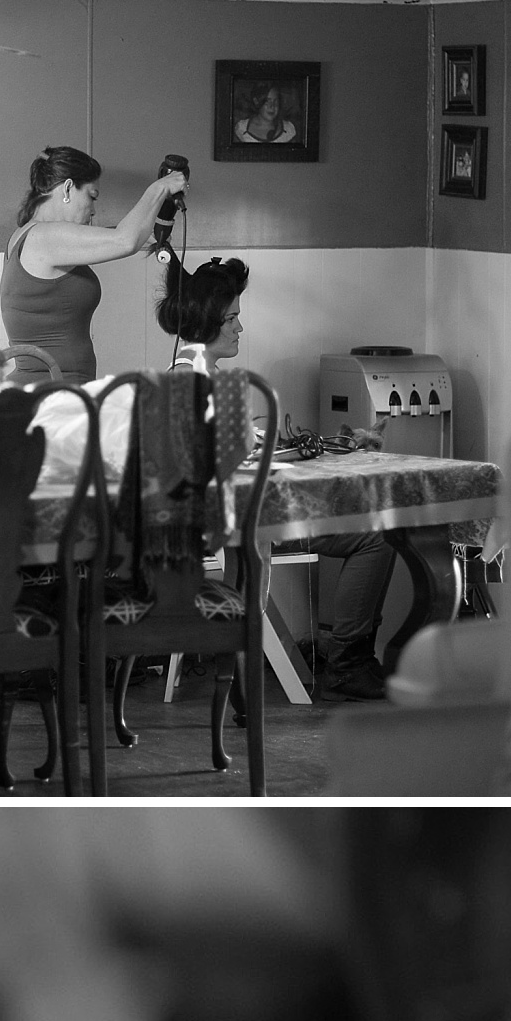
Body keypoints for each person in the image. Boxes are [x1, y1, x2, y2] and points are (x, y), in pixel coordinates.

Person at [154, 249, 396, 703]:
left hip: (245, 517)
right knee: (375, 535)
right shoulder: (192, 386)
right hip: (235, 526)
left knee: (374, 531)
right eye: (231, 319)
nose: (239, 327)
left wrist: (337, 442)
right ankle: (347, 662)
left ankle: (348, 658)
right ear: (207, 323)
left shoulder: (201, 377)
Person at [0, 145, 187, 378]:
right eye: (91, 196)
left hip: (56, 386)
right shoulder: (42, 238)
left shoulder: (31, 236)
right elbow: (124, 240)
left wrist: (161, 215)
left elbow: (131, 236)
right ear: (68, 188)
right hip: (50, 390)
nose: (93, 210)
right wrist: (159, 188)